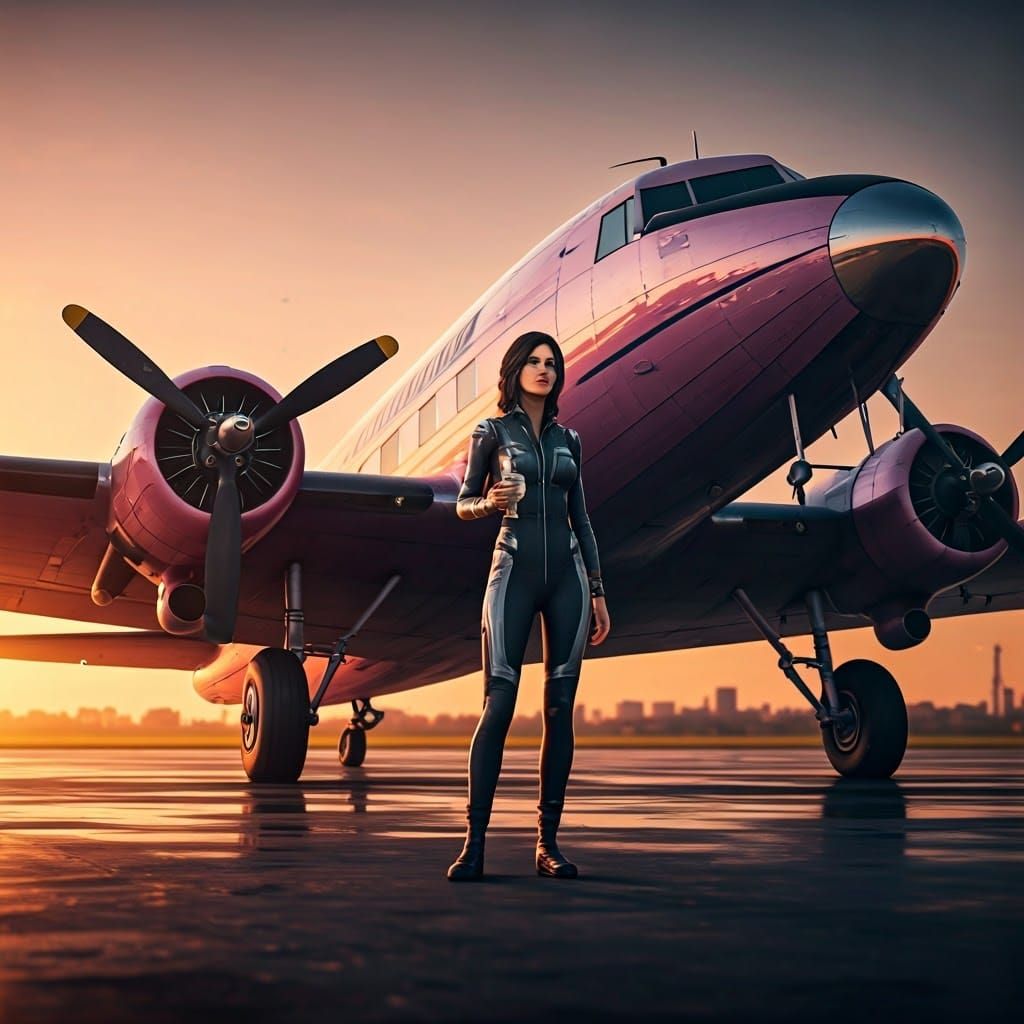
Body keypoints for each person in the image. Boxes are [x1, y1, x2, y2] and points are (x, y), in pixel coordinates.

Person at [448, 330, 611, 881]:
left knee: (561, 710)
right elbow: (463, 503)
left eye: (552, 363)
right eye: (534, 362)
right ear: (515, 370)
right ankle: (474, 845)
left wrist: (597, 589)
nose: (544, 370)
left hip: (567, 576)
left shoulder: (572, 440)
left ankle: (548, 844)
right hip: (513, 568)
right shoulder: (490, 433)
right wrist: (488, 502)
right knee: (499, 704)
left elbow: (582, 518)